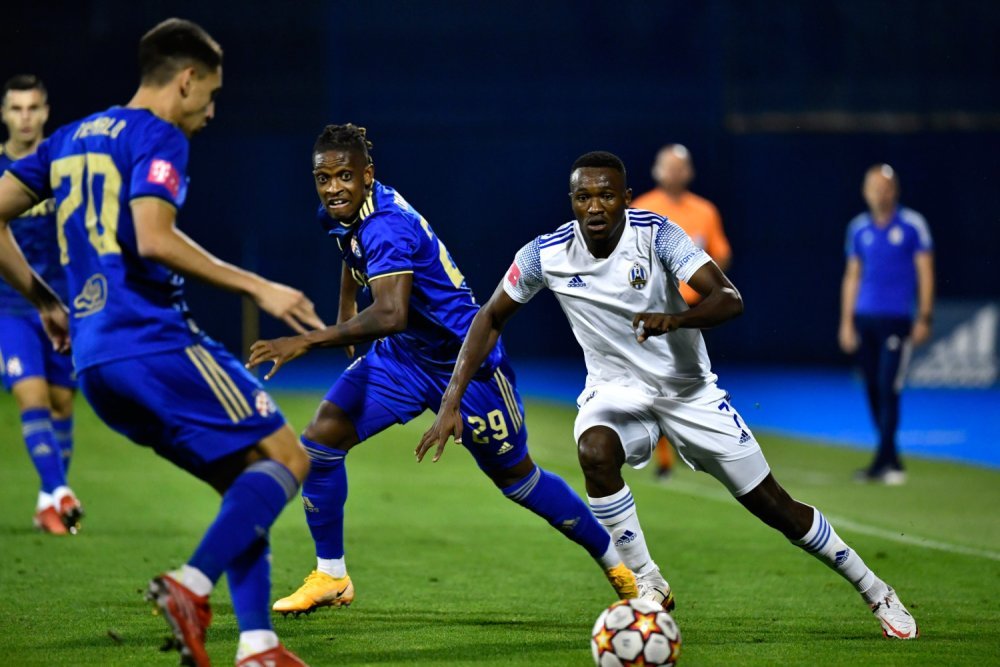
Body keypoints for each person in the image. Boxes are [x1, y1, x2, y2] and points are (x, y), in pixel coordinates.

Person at [418, 151, 919, 639]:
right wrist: (451, 400)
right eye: (583, 197)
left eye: (606, 195)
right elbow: (489, 317)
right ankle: (648, 581)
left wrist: (676, 319)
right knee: (594, 450)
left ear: (627, 198)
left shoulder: (657, 234)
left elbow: (729, 298)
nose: (595, 206)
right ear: (571, 202)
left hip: (688, 392)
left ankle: (876, 590)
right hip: (615, 392)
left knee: (776, 508)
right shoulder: (543, 254)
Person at [0, 19, 322, 666]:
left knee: (246, 481)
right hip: (151, 339)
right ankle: (191, 585)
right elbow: (153, 237)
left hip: (95, 362)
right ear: (186, 79)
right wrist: (258, 287)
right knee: (289, 456)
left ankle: (258, 645)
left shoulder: (67, 139)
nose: (212, 110)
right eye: (212, 93)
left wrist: (45, 301)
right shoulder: (158, 134)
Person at [245, 124, 643, 617]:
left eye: (344, 176)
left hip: (467, 363)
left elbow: (391, 313)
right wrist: (346, 307)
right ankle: (332, 575)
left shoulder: (387, 225)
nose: (333, 188)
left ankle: (616, 564)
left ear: (368, 175)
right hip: (405, 357)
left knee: (518, 480)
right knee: (321, 441)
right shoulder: (344, 210)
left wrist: (306, 339)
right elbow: (351, 250)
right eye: (323, 178)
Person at [0, 74, 84, 535]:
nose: (25, 117)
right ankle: (60, 490)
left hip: (64, 305)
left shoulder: (61, 166)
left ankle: (46, 502)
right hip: (10, 307)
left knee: (61, 403)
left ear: (46, 112)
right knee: (30, 395)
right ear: (4, 114)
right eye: (17, 108)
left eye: (33, 107)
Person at [631, 144, 732, 480]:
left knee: (697, 381)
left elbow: (721, 255)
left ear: (689, 172)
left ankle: (707, 445)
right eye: (668, 166)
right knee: (654, 383)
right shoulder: (641, 209)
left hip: (692, 312)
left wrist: (707, 295)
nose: (674, 173)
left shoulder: (705, 211)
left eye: (680, 167)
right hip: (656, 312)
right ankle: (663, 458)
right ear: (657, 170)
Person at [839, 164, 934, 485]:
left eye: (885, 188)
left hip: (896, 320)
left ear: (895, 191)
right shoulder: (858, 228)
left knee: (888, 385)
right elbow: (852, 276)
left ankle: (884, 461)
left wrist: (924, 315)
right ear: (865, 192)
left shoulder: (912, 225)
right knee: (871, 387)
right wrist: (846, 322)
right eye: (874, 188)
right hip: (865, 318)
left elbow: (925, 271)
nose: (880, 194)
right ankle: (890, 458)